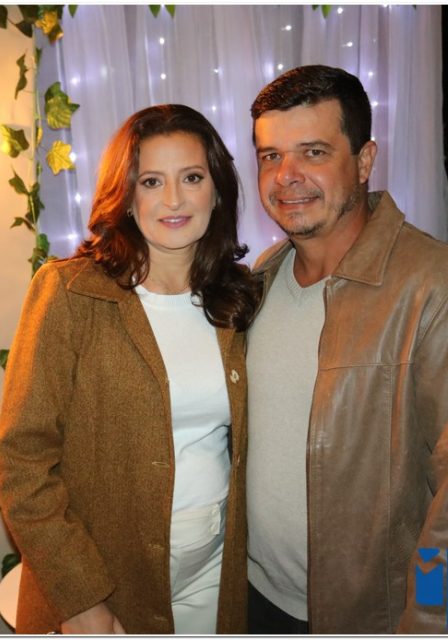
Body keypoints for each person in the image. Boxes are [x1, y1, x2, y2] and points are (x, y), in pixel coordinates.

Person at [0, 104, 260, 634]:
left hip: (215, 570)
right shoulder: (70, 292)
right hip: (104, 577)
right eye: (151, 181)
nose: (174, 199)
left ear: (217, 190)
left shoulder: (239, 296)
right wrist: (79, 598)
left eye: (192, 177)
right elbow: (23, 461)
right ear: (126, 196)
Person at [245, 63, 448, 634]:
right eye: (270, 156)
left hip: (366, 620)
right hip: (254, 600)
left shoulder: (431, 286)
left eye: (313, 152)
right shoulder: (264, 276)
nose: (286, 176)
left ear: (364, 161)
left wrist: (430, 618)